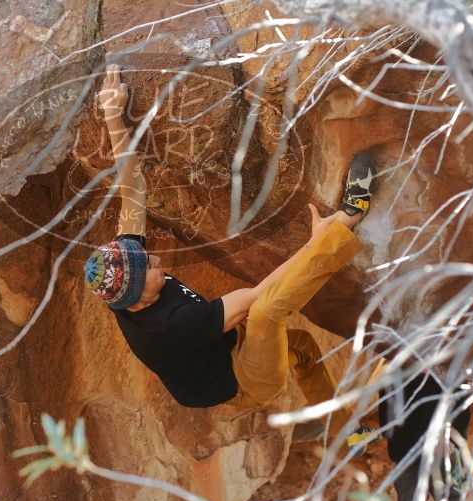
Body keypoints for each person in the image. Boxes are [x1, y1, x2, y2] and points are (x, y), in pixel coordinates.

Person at [83, 64, 379, 446]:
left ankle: (346, 434)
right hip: (242, 382)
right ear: (138, 299)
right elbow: (257, 300)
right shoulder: (168, 328)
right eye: (150, 268)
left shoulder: (121, 276)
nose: (156, 260)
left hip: (222, 350)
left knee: (301, 348)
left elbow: (132, 187)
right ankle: (349, 216)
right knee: (267, 313)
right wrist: (319, 241)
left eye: (146, 256)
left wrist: (112, 115)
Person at [378, 372, 471, 501]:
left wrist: (451, 440)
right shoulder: (393, 380)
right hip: (411, 454)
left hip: (436, 453)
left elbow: (462, 411)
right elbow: (387, 424)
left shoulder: (450, 373)